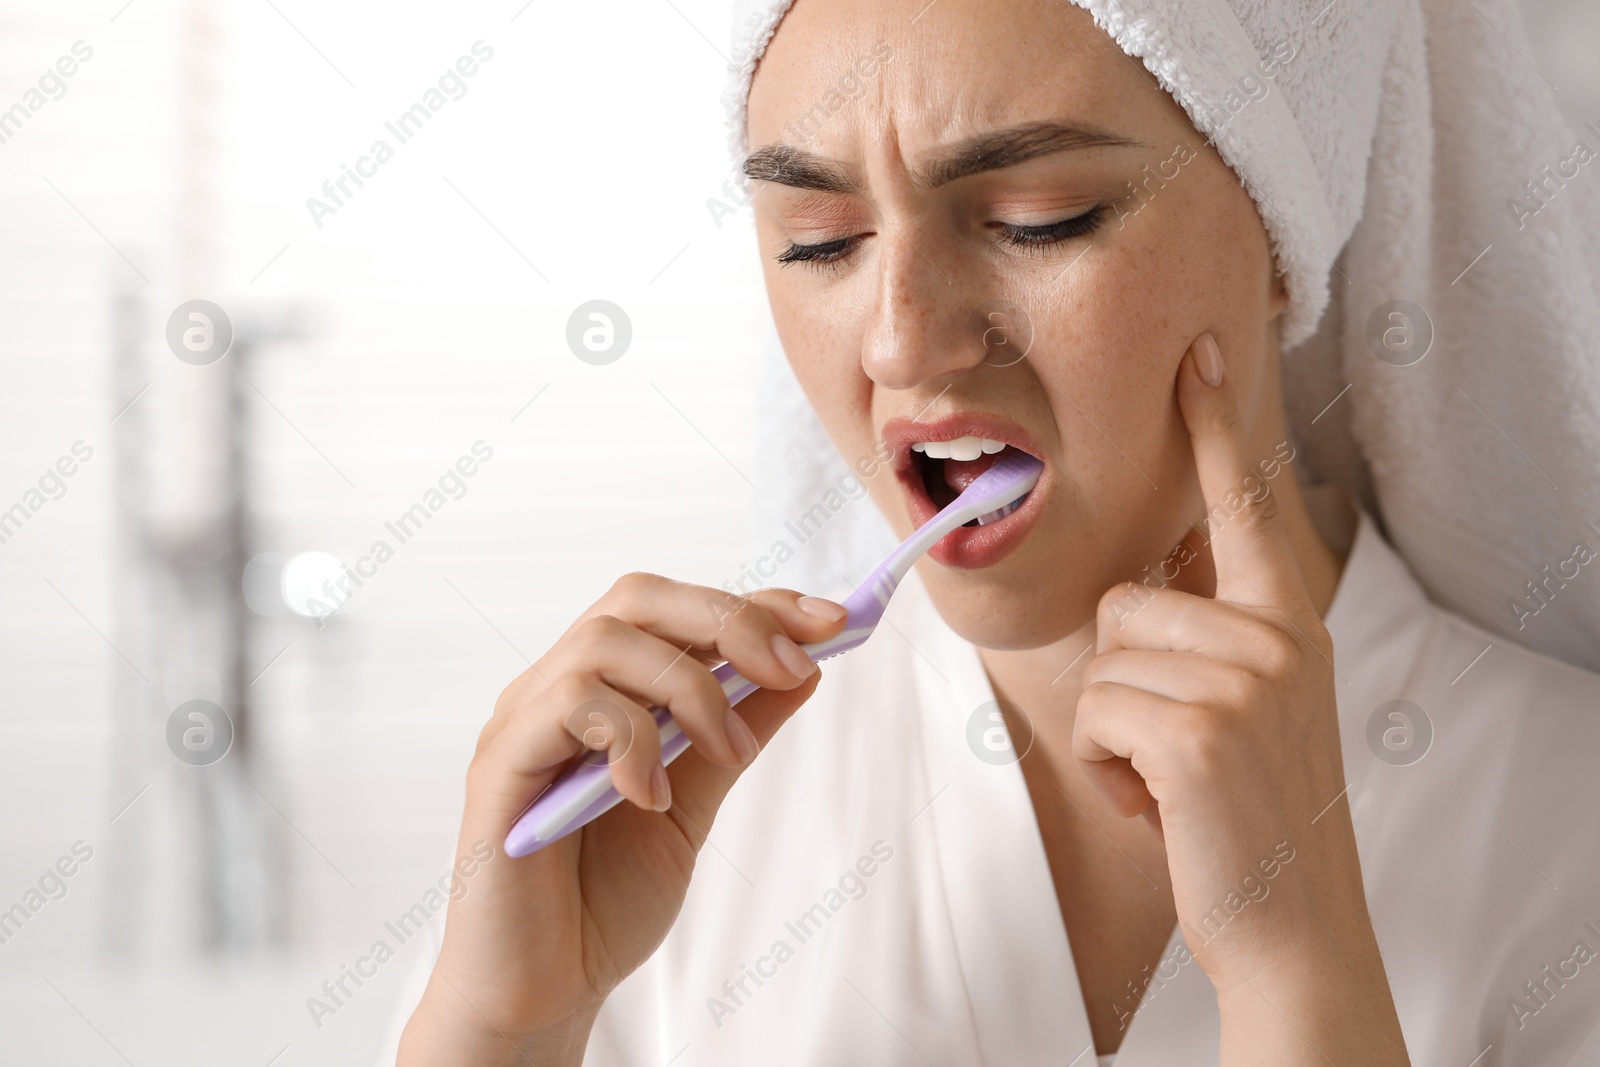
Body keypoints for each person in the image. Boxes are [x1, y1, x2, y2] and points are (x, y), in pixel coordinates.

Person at [384, 0, 1600, 1063]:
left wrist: (1303, 976)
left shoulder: (1566, 822)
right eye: (820, 240)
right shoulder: (660, 815)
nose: (901, 341)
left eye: (1040, 216)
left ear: (1287, 234)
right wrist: (505, 1035)